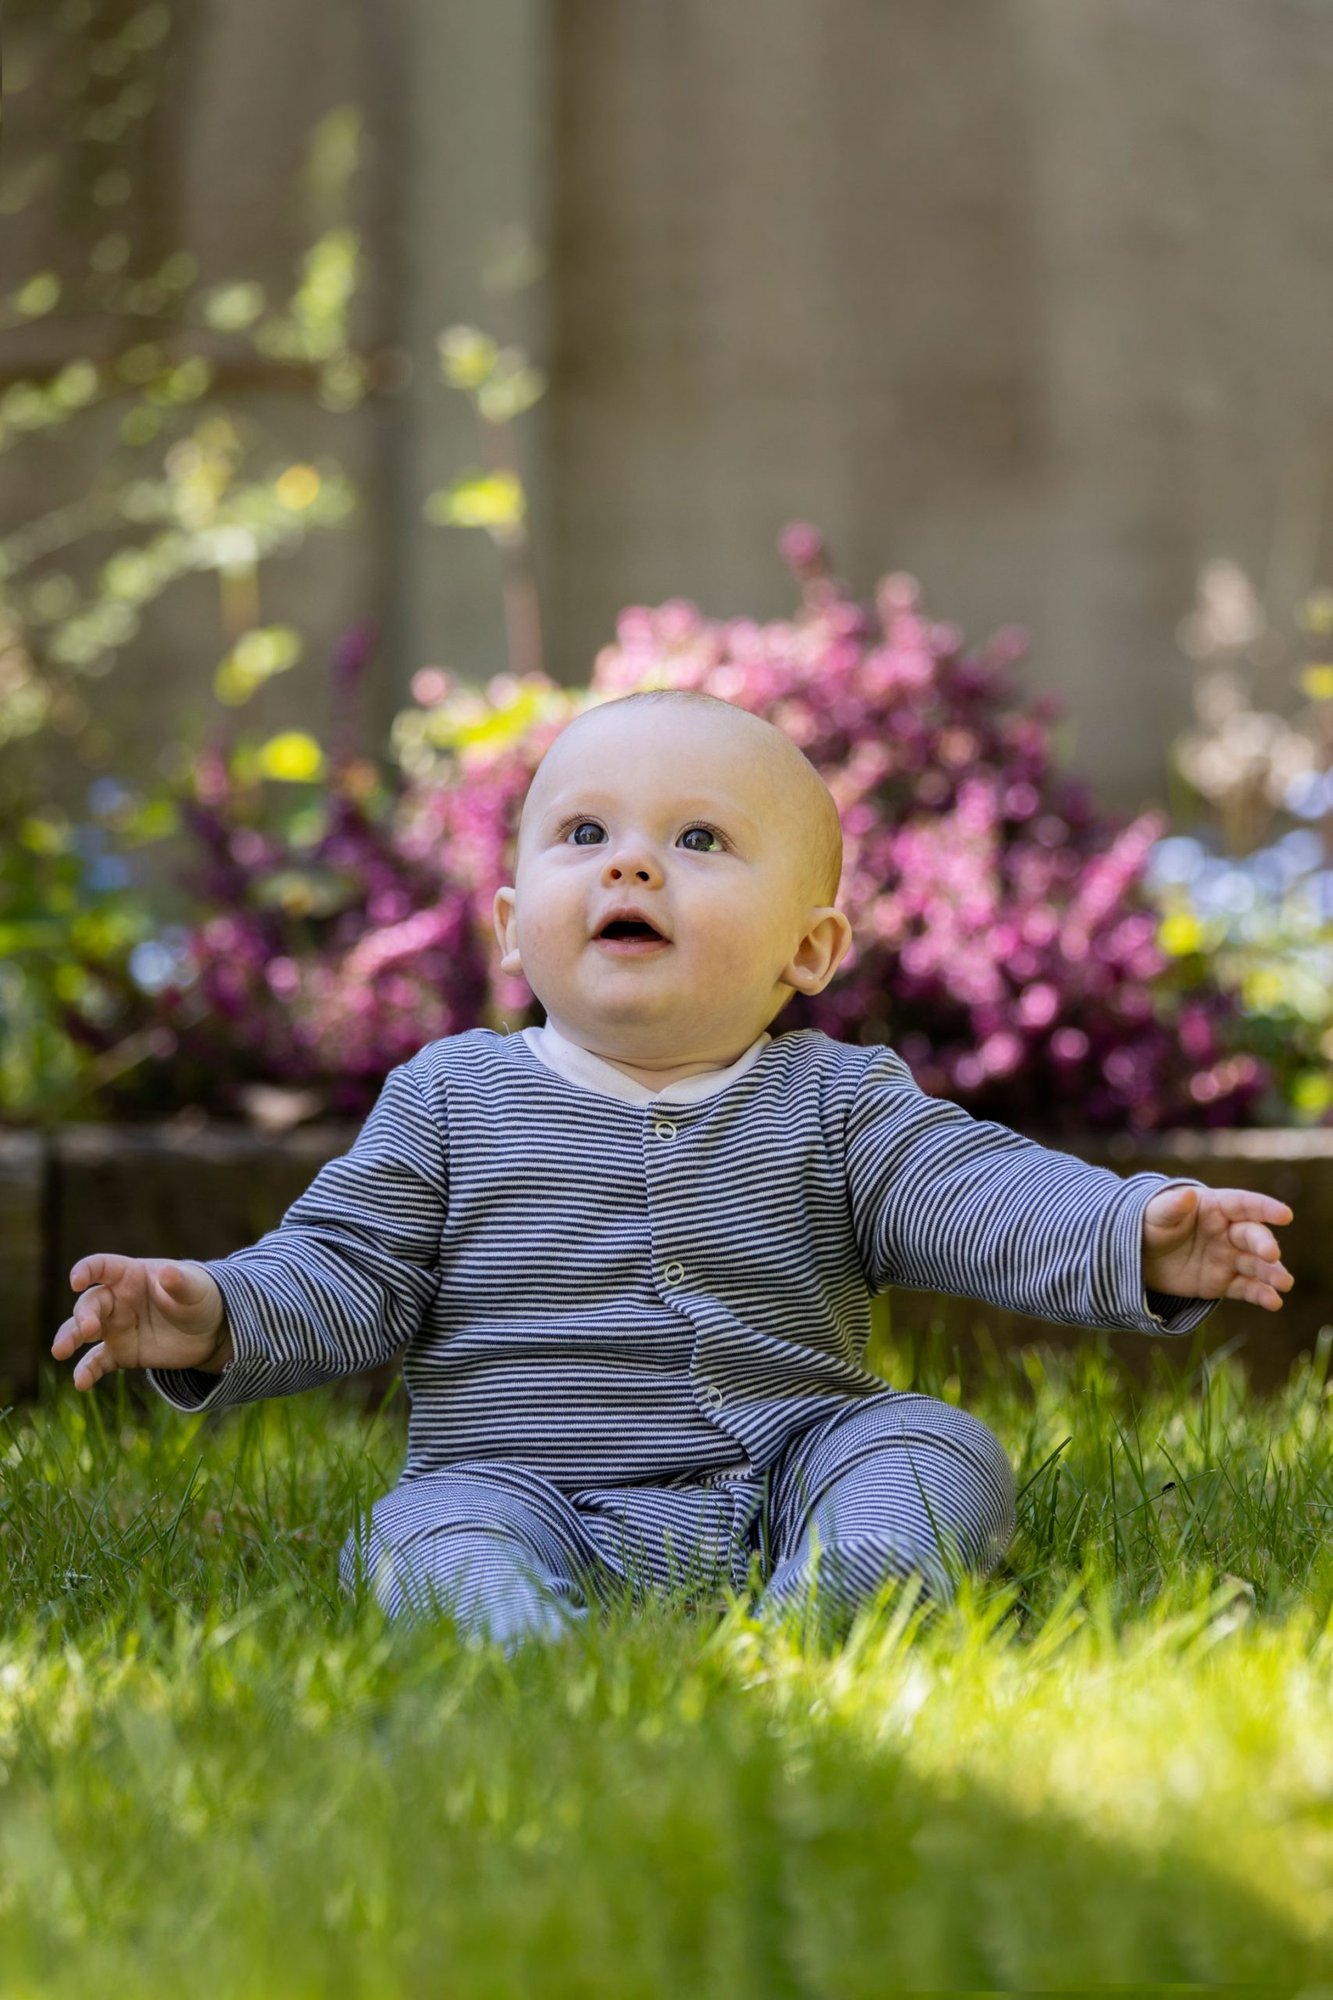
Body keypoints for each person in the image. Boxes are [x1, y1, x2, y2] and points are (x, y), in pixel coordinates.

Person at [51, 691, 1294, 1647]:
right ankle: (525, 1648)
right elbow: (344, 1268)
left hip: (794, 1467)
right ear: (507, 919)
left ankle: (839, 1604)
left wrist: (1133, 1230)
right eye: (584, 833)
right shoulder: (448, 1098)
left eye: (698, 839)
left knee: (930, 1444)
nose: (630, 864)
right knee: (427, 1532)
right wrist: (214, 1311)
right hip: (519, 1482)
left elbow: (982, 1194)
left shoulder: (837, 1101)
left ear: (807, 948)